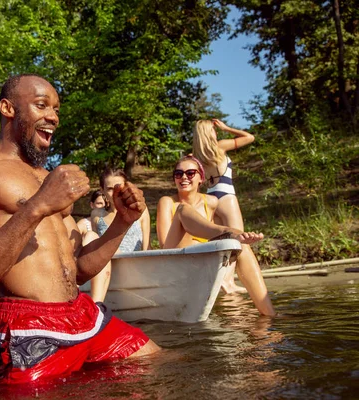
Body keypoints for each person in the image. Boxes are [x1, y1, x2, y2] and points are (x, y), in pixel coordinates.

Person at [0, 74, 160, 384]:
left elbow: (77, 271)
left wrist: (122, 222)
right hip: (28, 331)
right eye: (41, 105)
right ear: (8, 108)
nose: (53, 117)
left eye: (56, 109)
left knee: (159, 365)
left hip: (83, 314)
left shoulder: (48, 177)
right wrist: (37, 206)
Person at [156, 155, 275, 316]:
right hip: (176, 259)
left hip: (204, 259)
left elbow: (231, 211)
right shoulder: (167, 202)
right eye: (178, 174)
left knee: (243, 248)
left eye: (190, 173)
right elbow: (164, 245)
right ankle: (228, 233)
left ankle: (269, 314)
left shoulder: (211, 202)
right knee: (183, 210)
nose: (184, 177)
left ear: (201, 178)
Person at [193, 119, 256, 294]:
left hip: (211, 197)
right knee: (238, 239)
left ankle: (222, 279)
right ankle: (228, 281)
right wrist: (227, 128)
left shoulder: (196, 157)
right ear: (208, 133)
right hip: (226, 195)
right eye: (213, 130)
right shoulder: (220, 147)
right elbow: (249, 137)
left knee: (223, 241)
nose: (216, 132)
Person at [86, 168, 151, 302]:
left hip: (134, 267)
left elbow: (147, 246)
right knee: (90, 236)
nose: (115, 192)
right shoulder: (97, 215)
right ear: (102, 190)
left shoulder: (141, 211)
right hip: (109, 268)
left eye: (119, 187)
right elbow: (95, 248)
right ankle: (96, 302)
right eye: (110, 189)